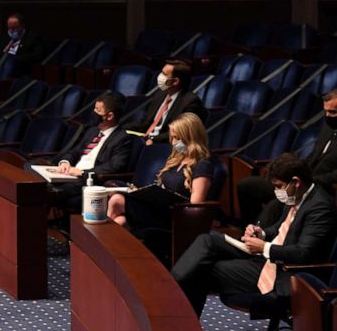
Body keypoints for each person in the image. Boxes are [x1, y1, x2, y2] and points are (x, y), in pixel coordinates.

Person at [171, 153, 336, 318]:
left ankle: (177, 314)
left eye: (279, 186)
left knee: (203, 269)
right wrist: (262, 233)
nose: (276, 191)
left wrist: (264, 247)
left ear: (296, 182)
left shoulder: (320, 207)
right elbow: (279, 228)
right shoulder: (297, 196)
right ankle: (170, 282)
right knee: (209, 238)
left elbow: (303, 253)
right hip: (268, 259)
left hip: (282, 272)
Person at [237, 89, 337, 225]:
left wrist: (309, 182)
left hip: (320, 188)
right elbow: (313, 156)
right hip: (300, 181)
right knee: (247, 185)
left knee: (277, 203)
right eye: (325, 111)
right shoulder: (329, 128)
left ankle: (256, 236)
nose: (327, 116)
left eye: (333, 112)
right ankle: (246, 229)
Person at [108, 112, 214, 228]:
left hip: (173, 217)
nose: (173, 142)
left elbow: (195, 206)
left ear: (191, 137)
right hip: (158, 209)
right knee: (120, 221)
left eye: (177, 138)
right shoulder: (176, 160)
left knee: (117, 200)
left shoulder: (202, 165)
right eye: (172, 137)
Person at [30, 91, 133, 210]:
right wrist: (65, 162)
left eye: (98, 111)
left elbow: (114, 166)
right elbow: (74, 152)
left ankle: (47, 197)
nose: (94, 113)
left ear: (109, 116)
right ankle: (47, 193)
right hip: (69, 173)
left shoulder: (122, 138)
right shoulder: (92, 131)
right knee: (30, 165)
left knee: (45, 191)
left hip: (86, 179)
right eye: (94, 109)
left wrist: (82, 173)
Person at [125, 60, 207, 145]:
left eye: (164, 74)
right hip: (146, 140)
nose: (160, 76)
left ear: (175, 81)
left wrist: (153, 139)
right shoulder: (160, 94)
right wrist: (121, 129)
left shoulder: (190, 102)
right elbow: (145, 123)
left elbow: (180, 133)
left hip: (165, 145)